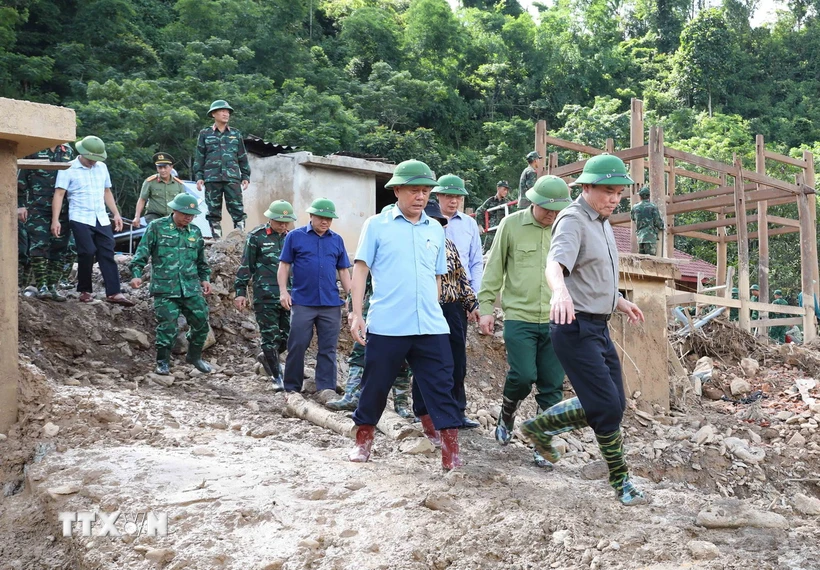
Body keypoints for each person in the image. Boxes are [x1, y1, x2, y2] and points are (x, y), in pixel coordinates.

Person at [521, 154, 648, 506]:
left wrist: (618, 300)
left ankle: (538, 428)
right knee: (606, 406)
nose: (614, 199)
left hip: (598, 324)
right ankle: (621, 481)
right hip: (573, 325)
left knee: (615, 403)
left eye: (619, 193)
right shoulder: (573, 220)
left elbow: (593, 273)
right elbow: (555, 264)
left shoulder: (603, 222)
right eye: (608, 191)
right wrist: (559, 290)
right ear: (587, 187)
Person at [347, 159, 464, 470]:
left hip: (430, 324)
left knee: (442, 384)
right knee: (375, 384)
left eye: (426, 191)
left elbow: (438, 276)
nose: (420, 197)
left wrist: (434, 307)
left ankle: (451, 451)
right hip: (388, 324)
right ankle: (364, 439)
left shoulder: (435, 230)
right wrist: (356, 313)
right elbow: (361, 270)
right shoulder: (376, 225)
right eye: (414, 190)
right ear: (397, 190)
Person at [478, 175, 571, 468]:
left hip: (558, 318)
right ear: (533, 201)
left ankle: (541, 443)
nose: (552, 215)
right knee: (522, 375)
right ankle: (508, 412)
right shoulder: (511, 225)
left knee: (552, 384)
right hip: (519, 315)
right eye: (547, 209)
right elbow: (494, 268)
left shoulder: (567, 228)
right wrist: (486, 308)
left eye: (557, 210)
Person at [415, 198, 480, 430]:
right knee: (426, 361)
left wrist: (473, 304)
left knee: (456, 362)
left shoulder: (449, 245)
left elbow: (462, 277)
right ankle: (423, 412)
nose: (438, 225)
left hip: (452, 310)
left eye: (441, 222)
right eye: (433, 220)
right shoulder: (414, 245)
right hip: (424, 307)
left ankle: (457, 411)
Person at [130, 193, 213, 375]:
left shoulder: (195, 232)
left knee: (201, 323)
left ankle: (194, 356)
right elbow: (141, 254)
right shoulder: (157, 227)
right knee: (167, 327)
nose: (188, 218)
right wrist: (136, 274)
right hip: (165, 288)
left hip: (190, 288)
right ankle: (162, 362)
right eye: (185, 214)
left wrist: (205, 278)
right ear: (174, 210)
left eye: (191, 215)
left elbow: (201, 261)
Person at [278, 198, 352, 394]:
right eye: (321, 217)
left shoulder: (337, 240)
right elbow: (284, 265)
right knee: (297, 345)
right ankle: (292, 388)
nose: (325, 222)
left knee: (328, 348)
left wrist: (351, 296)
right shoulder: (295, 236)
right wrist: (283, 291)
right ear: (311, 216)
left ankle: (325, 388)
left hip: (330, 303)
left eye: (329, 218)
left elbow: (344, 270)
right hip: (302, 301)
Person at [51, 135, 134, 306]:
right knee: (87, 251)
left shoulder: (102, 167)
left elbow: (107, 192)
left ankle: (114, 292)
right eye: (91, 159)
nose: (93, 162)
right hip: (80, 216)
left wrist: (116, 214)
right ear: (82, 153)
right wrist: (55, 220)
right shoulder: (68, 168)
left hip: (101, 217)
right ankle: (85, 290)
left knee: (107, 251)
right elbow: (59, 194)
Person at [326, 273, 414, 419]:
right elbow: (358, 283)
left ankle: (401, 405)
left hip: (403, 314)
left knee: (403, 359)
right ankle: (351, 396)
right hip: (374, 313)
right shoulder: (376, 253)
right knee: (360, 353)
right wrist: (353, 311)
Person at [234, 200, 297, 391]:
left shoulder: (293, 237)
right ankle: (277, 377)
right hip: (266, 295)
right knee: (270, 336)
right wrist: (240, 292)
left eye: (287, 222)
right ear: (270, 219)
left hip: (289, 296)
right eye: (279, 222)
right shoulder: (257, 237)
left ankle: (268, 356)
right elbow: (247, 265)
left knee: (288, 336)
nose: (283, 225)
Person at [17, 143, 74, 300]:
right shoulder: (34, 148)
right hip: (37, 206)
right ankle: (41, 286)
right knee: (39, 245)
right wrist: (20, 205)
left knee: (60, 246)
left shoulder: (67, 151)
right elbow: (21, 178)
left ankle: (52, 287)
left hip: (63, 207)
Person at [193, 100, 251, 239]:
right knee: (213, 210)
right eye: (222, 111)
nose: (226, 114)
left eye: (228, 112)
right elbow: (200, 156)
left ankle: (239, 238)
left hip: (232, 178)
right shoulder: (205, 134)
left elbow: (242, 157)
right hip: (211, 178)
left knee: (237, 209)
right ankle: (217, 239)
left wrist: (245, 176)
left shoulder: (236, 134)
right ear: (213, 114)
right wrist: (199, 176)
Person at [434, 174, 483, 296]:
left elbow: (476, 261)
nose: (454, 201)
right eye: (448, 196)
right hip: (433, 287)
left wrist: (474, 294)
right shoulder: (426, 221)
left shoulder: (469, 223)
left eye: (458, 197)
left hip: (462, 289)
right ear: (437, 195)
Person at [133, 153, 187, 227]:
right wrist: (137, 217)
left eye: (165, 167)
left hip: (172, 216)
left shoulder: (178, 184)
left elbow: (183, 202)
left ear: (171, 167)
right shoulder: (150, 182)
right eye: (160, 168)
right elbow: (142, 199)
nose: (162, 170)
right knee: (157, 227)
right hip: (154, 215)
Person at [475, 180, 511, 253]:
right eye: (504, 189)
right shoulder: (491, 201)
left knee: (502, 252)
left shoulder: (507, 203)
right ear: (498, 188)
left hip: (502, 231)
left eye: (507, 190)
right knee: (486, 252)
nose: (506, 192)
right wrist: (480, 225)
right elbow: (479, 211)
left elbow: (511, 216)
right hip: (491, 232)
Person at [630, 185, 664, 255]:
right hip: (650, 237)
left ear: (640, 196)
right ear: (649, 196)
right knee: (650, 261)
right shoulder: (653, 207)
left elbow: (633, 218)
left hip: (640, 237)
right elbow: (657, 222)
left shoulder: (635, 207)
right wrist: (662, 226)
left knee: (641, 261)